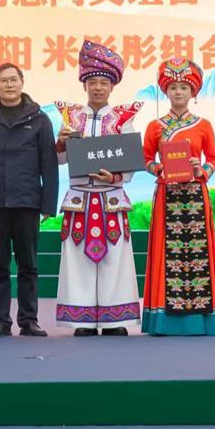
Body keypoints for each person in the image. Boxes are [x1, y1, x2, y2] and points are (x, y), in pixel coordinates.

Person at [54, 40, 143, 336]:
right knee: (77, 259)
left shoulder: (122, 120)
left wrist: (114, 177)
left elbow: (131, 162)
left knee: (115, 260)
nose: (98, 88)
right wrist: (61, 142)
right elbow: (60, 160)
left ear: (112, 86)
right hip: (79, 198)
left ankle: (115, 319)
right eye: (92, 82)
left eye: (104, 83)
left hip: (110, 198)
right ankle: (82, 320)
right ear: (84, 85)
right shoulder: (71, 118)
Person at [140, 57, 215, 336]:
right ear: (165, 91)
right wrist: (158, 168)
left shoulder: (203, 125)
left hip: (194, 195)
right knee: (166, 254)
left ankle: (200, 319)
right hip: (167, 195)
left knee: (197, 256)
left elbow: (214, 158)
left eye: (184, 87)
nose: (178, 92)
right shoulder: (155, 126)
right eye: (173, 87)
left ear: (193, 92)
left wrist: (200, 169)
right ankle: (165, 320)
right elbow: (145, 158)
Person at [0, 63, 58, 337]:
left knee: (29, 265)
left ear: (22, 82)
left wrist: (48, 204)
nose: (9, 85)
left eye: (13, 80)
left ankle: (29, 320)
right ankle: (0, 321)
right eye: (4, 81)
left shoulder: (40, 119)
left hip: (27, 202)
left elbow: (49, 164)